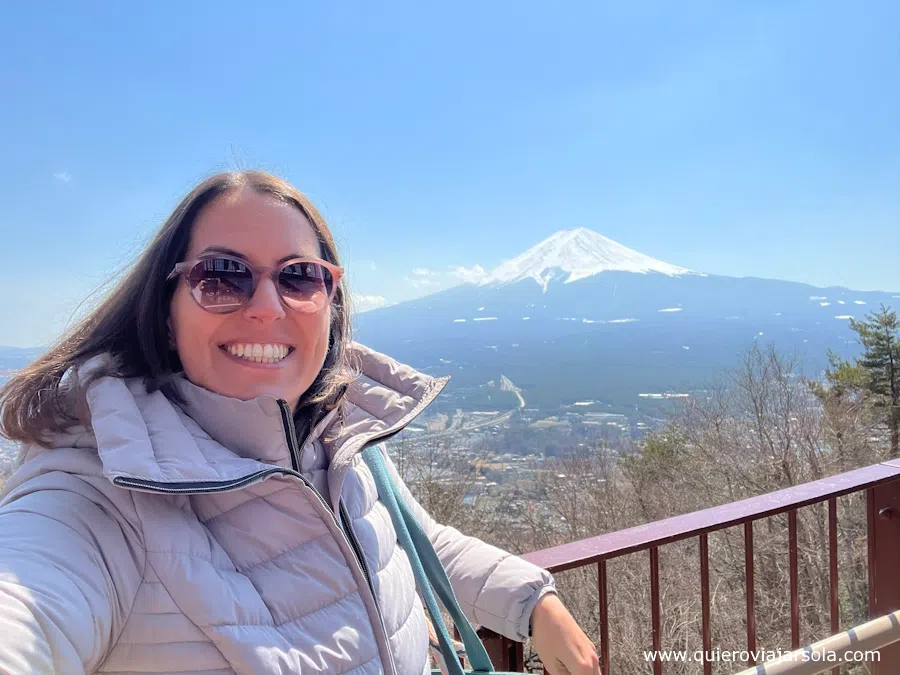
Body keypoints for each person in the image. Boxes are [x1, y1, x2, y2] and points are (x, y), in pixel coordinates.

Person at [0, 171, 600, 675]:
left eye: (299, 276)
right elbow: (29, 599)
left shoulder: (339, 442)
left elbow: (418, 542)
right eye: (222, 276)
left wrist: (534, 603)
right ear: (164, 313)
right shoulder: (96, 493)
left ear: (330, 307)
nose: (266, 307)